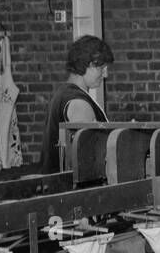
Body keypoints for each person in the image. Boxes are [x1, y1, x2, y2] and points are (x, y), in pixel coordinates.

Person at [40, 35, 113, 173]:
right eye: (102, 68)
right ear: (86, 64)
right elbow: (90, 158)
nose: (106, 74)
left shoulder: (64, 93)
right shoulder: (78, 103)